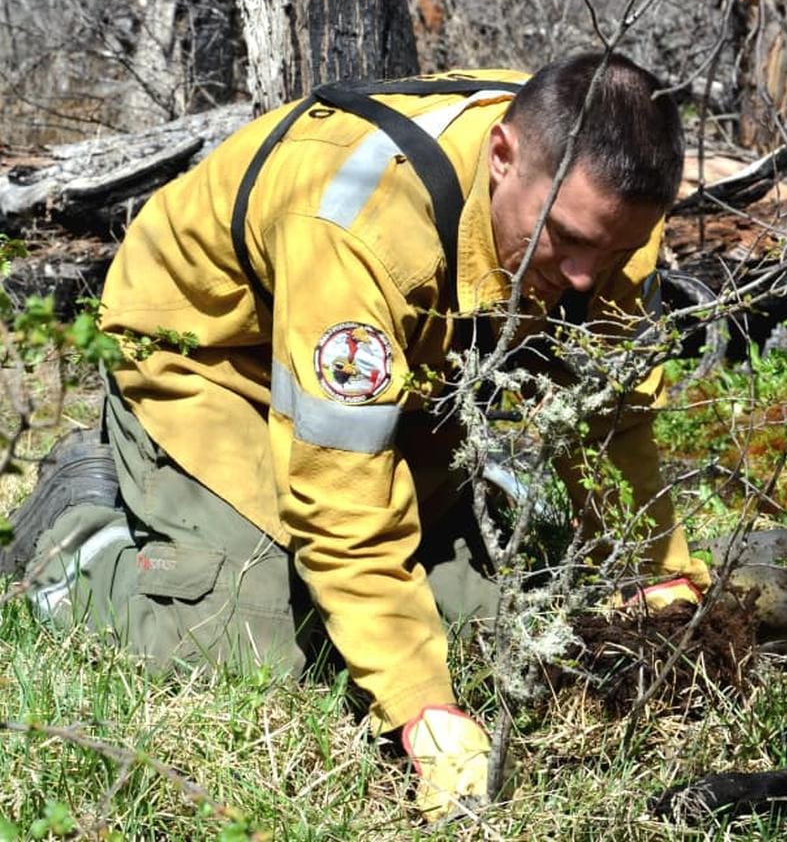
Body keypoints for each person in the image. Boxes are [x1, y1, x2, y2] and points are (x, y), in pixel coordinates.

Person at [2, 51, 710, 820]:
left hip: (403, 374)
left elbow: (611, 417)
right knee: (261, 640)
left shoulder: (606, 206)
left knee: (488, 625)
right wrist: (422, 712)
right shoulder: (362, 224)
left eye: (611, 253)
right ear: (502, 156)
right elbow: (340, 495)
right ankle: (78, 535)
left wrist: (656, 575)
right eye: (565, 240)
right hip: (214, 354)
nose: (584, 278)